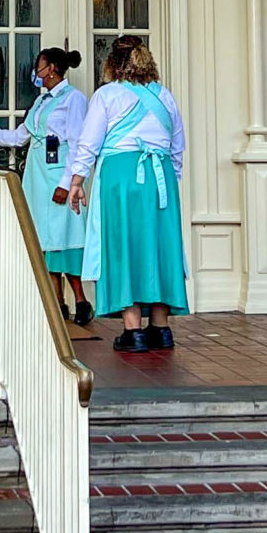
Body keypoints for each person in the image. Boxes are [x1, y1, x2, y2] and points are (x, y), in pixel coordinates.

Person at [70, 38, 188, 354]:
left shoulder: (107, 95)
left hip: (121, 178)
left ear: (113, 63)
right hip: (160, 177)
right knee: (160, 247)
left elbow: (89, 143)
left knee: (123, 246)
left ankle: (133, 330)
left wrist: (77, 180)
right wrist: (170, 180)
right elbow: (177, 146)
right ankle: (161, 329)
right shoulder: (165, 96)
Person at [0, 47, 91, 326]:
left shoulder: (74, 100)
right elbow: (19, 137)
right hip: (38, 175)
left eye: (39, 67)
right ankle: (56, 302)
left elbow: (78, 143)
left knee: (63, 237)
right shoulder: (41, 102)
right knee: (44, 237)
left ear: (51, 68)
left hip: (59, 174)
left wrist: (68, 182)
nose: (35, 72)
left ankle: (81, 300)